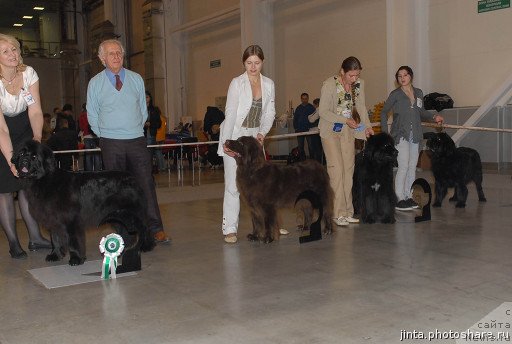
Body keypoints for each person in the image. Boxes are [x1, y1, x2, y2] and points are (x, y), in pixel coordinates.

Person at [86, 39, 170, 243]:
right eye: (111, 53)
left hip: (136, 141)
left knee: (146, 185)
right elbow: (92, 114)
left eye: (119, 53)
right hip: (110, 142)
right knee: (115, 189)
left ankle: (155, 228)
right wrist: (105, 133)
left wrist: (134, 129)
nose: (116, 56)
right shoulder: (95, 83)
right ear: (102, 58)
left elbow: (143, 109)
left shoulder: (136, 79)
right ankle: (123, 232)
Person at [217, 44, 276, 243]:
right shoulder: (237, 83)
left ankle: (268, 224)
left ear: (263, 63)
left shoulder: (269, 84)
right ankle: (230, 228)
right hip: (236, 135)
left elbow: (270, 113)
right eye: (249, 63)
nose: (253, 67)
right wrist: (227, 142)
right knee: (233, 184)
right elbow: (231, 112)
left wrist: (262, 132)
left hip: (254, 138)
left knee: (262, 185)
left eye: (257, 63)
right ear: (244, 63)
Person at [0, 33, 51, 258]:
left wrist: (37, 139)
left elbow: (36, 110)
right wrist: (12, 159)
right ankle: (13, 242)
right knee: (4, 189)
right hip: (2, 131)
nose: (13, 54)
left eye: (14, 49)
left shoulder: (29, 73)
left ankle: (36, 238)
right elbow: (1, 128)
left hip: (25, 128)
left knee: (26, 186)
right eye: (5, 51)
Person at [319, 56, 374, 227]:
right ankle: (337, 213)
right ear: (342, 72)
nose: (354, 79)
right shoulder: (329, 84)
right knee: (337, 171)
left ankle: (348, 211)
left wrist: (367, 127)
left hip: (349, 131)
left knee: (349, 171)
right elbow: (323, 112)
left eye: (357, 75)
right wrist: (344, 121)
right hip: (330, 131)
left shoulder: (359, 84)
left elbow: (362, 107)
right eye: (351, 75)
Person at [380, 65, 444, 210]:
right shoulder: (395, 94)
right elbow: (384, 112)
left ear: (411, 76)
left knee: (411, 167)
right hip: (400, 135)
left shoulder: (419, 93)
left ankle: (408, 196)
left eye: (405, 75)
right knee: (403, 166)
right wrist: (385, 133)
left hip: (415, 135)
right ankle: (399, 198)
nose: (402, 78)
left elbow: (421, 111)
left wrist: (434, 116)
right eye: (399, 76)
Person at [78, 102, 102, 171]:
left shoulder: (81, 116)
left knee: (88, 154)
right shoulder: (94, 114)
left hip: (86, 136)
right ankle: (97, 170)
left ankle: (89, 170)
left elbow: (81, 128)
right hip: (95, 136)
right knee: (96, 153)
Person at [293, 92, 316, 160]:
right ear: (301, 99)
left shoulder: (311, 107)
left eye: (306, 98)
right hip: (299, 130)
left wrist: (312, 127)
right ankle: (302, 161)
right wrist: (296, 128)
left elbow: (315, 118)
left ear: (308, 99)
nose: (304, 100)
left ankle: (312, 161)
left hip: (309, 130)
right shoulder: (298, 108)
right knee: (300, 147)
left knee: (311, 146)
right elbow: (295, 119)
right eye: (303, 99)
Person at [144, 91, 162, 173]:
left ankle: (150, 170)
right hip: (141, 135)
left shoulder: (154, 110)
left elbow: (159, 124)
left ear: (150, 98)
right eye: (144, 97)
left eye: (147, 97)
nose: (145, 99)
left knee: (150, 154)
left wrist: (150, 124)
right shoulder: (139, 109)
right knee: (144, 154)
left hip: (151, 134)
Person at [307, 97, 323, 163]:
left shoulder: (318, 110)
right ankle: (319, 163)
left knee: (316, 149)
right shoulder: (319, 110)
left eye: (314, 104)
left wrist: (309, 117)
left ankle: (317, 163)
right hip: (318, 131)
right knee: (319, 149)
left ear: (316, 104)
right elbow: (310, 116)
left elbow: (311, 119)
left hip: (315, 132)